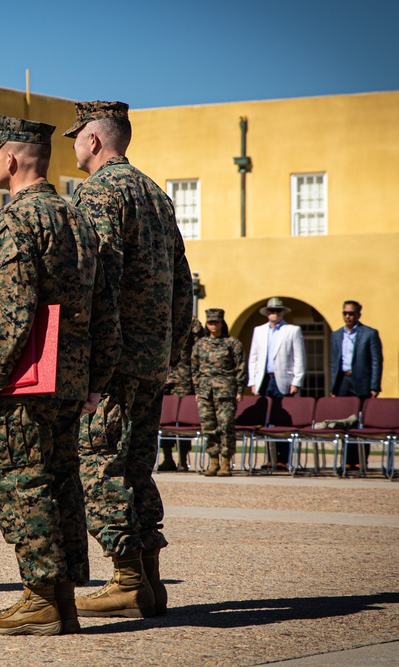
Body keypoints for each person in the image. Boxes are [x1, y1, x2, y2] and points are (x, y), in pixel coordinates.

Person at [0, 115, 120, 635]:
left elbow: (12, 309)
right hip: (68, 381)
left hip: (23, 383)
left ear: (9, 159)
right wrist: (96, 378)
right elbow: (105, 307)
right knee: (63, 482)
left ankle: (40, 596)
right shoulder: (77, 219)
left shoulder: (16, 220)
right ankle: (63, 598)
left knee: (21, 482)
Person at [64, 100, 193, 619]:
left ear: (94, 140)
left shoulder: (98, 192)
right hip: (150, 359)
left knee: (99, 461)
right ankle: (151, 582)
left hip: (114, 363)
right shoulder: (158, 195)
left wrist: (89, 361)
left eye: (76, 136)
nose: (73, 145)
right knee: (137, 466)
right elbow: (184, 286)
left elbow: (96, 279)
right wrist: (170, 349)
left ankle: (126, 577)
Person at [247, 296, 306, 470]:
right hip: (264, 380)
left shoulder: (292, 330)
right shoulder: (259, 331)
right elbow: (254, 357)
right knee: (266, 421)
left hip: (283, 381)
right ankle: (270, 457)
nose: (275, 314)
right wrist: (253, 381)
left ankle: (282, 458)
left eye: (278, 311)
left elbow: (299, 357)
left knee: (282, 421)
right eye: (272, 311)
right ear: (267, 314)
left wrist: (297, 381)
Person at [191, 309, 246, 477]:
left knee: (226, 426)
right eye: (210, 322)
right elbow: (194, 368)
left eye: (216, 322)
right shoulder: (200, 344)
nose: (213, 325)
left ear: (222, 323)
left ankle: (226, 462)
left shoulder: (232, 343)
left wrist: (239, 389)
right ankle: (213, 461)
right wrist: (197, 389)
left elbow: (241, 367)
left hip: (226, 391)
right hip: (205, 391)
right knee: (208, 427)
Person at [329, 300, 383, 469]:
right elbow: (333, 362)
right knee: (344, 422)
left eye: (351, 313)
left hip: (361, 381)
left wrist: (374, 385)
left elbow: (376, 361)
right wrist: (333, 386)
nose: (348, 316)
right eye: (345, 313)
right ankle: (346, 461)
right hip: (343, 381)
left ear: (358, 314)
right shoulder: (336, 335)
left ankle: (360, 460)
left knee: (360, 422)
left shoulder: (369, 333)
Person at [159, 316, 205, 472]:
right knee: (163, 418)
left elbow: (200, 347)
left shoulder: (192, 322)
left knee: (183, 421)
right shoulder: (161, 314)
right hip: (163, 375)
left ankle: (183, 460)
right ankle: (167, 458)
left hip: (184, 376)